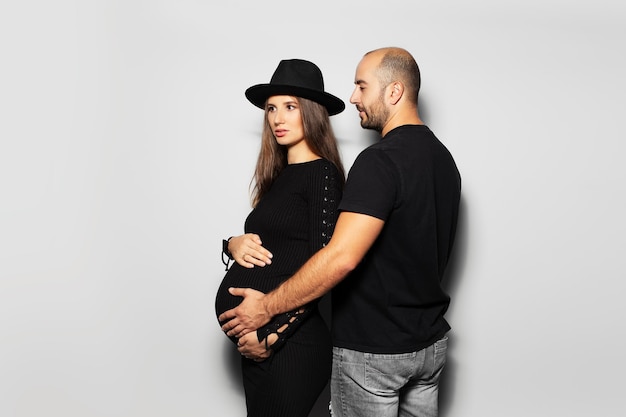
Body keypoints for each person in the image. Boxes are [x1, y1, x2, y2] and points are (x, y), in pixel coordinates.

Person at [218, 47, 462, 417]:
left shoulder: (378, 161)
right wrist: (233, 244)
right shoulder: (443, 159)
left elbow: (339, 257)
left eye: (361, 87)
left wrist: (266, 316)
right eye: (271, 108)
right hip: (425, 344)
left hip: (374, 350)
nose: (353, 98)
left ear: (394, 92)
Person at [214, 58, 346, 417]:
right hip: (257, 343)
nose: (277, 118)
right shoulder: (279, 176)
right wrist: (232, 243)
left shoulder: (322, 175)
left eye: (290, 107)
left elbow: (323, 270)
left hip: (289, 344)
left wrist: (272, 335)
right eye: (272, 108)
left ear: (312, 112)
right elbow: (275, 243)